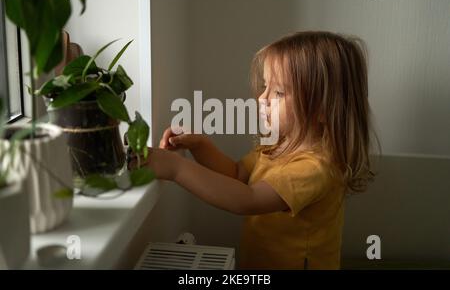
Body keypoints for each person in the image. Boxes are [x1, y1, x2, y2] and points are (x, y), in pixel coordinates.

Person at [128, 31, 377, 269]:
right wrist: (200, 145)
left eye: (278, 92)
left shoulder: (315, 168)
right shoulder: (279, 144)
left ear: (323, 108)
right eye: (265, 86)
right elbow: (237, 174)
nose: (262, 98)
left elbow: (249, 200)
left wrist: (175, 169)